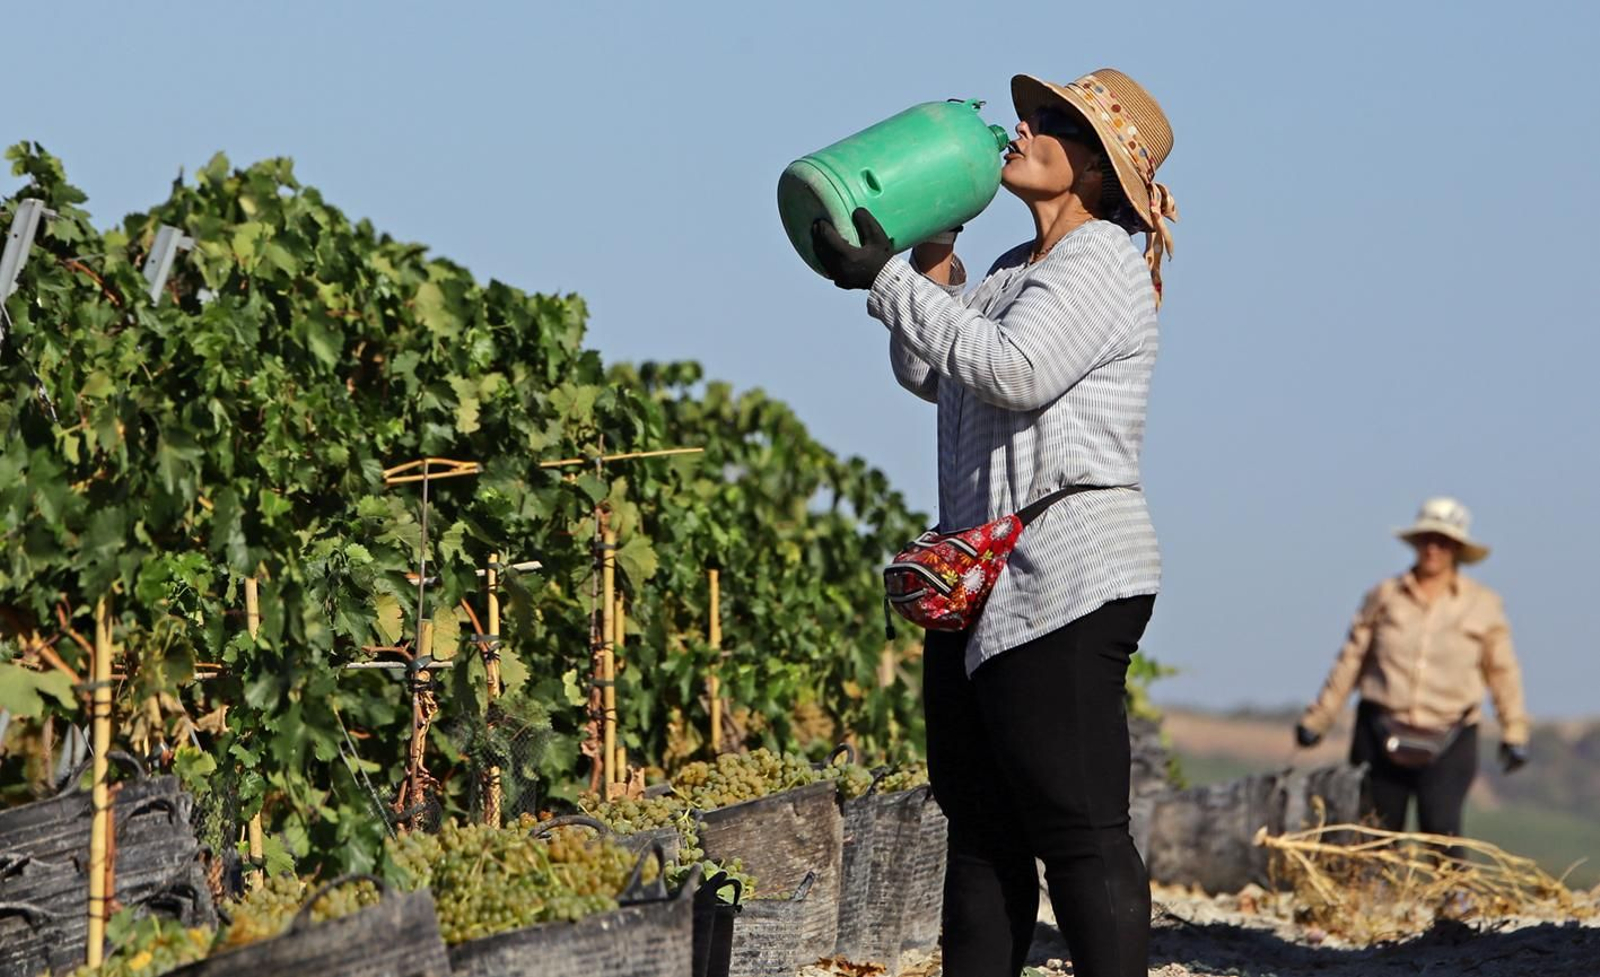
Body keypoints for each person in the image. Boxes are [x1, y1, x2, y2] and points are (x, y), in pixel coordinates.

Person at [811, 68, 1177, 977]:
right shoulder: (1018, 269)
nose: (1022, 125)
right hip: (983, 580)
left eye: (1052, 121)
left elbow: (1012, 370)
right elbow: (931, 370)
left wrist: (893, 280)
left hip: (1068, 573)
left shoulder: (1101, 265)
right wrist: (930, 251)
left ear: (1093, 166)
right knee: (981, 827)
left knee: (1078, 826)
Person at [1295, 497, 1530, 843]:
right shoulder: (1385, 596)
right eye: (1426, 539)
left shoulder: (1483, 605)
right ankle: (1373, 897)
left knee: (1442, 829)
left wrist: (1514, 731)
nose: (1433, 548)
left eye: (1443, 541)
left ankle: (1455, 898)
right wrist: (1319, 719)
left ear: (1457, 548)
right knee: (1374, 833)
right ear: (1416, 543)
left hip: (1451, 734)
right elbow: (1351, 660)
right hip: (1379, 729)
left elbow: (1502, 671)